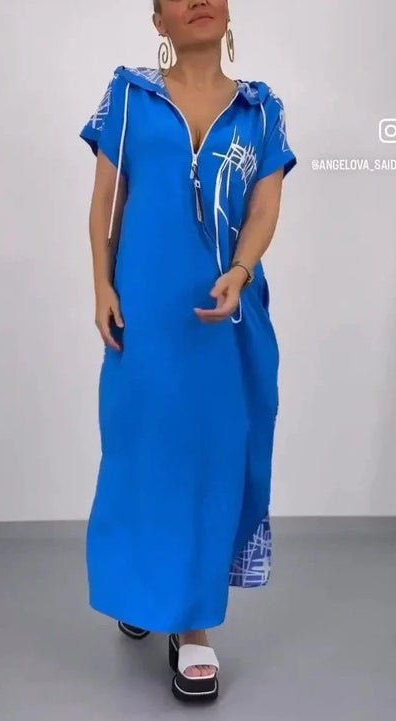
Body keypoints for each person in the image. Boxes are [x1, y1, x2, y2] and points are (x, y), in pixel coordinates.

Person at [79, 0, 297, 703]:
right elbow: (106, 201)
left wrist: (241, 270)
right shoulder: (129, 96)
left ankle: (192, 621)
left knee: (212, 457)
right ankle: (148, 588)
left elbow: (264, 207)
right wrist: (101, 285)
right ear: (158, 21)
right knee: (144, 452)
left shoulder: (261, 110)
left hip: (224, 315)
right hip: (146, 314)